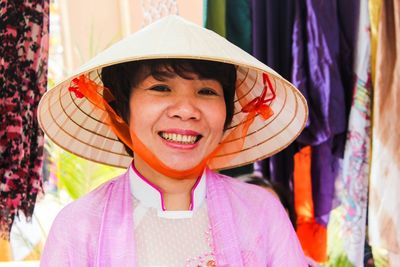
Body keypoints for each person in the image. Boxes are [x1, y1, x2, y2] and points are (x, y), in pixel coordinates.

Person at [38, 15, 308, 266]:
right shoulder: (80, 226)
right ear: (120, 108)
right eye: (161, 88)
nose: (187, 110)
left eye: (206, 91)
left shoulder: (261, 213)